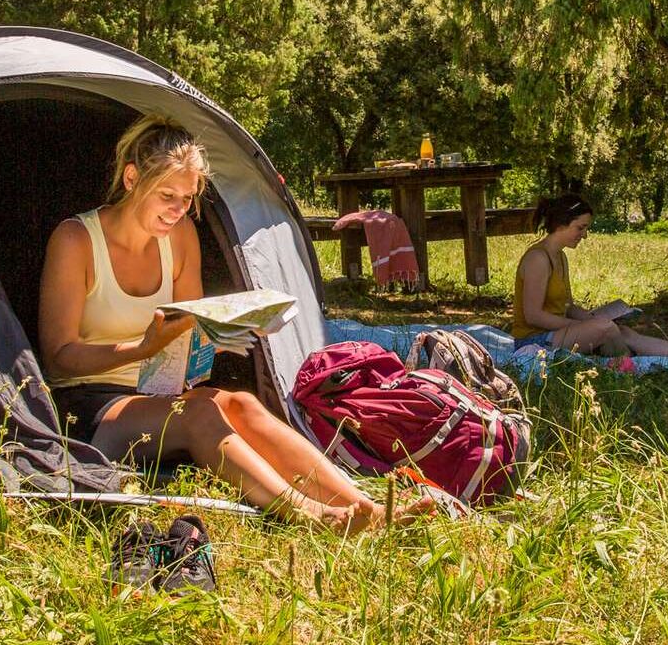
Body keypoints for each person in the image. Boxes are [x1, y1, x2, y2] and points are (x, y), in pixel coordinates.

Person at [39, 115, 430, 532]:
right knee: (201, 411)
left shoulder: (181, 235)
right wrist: (141, 349)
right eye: (167, 195)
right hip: (88, 404)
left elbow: (186, 329)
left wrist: (219, 336)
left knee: (241, 402)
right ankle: (313, 516)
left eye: (188, 198)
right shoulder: (76, 240)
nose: (178, 210)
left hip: (159, 388)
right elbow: (58, 358)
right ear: (132, 179)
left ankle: (372, 507)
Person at [510, 193, 668, 357]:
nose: (584, 235)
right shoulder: (538, 258)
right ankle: (626, 366)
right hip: (532, 341)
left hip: (555, 333)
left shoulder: (560, 257)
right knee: (606, 329)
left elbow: (567, 306)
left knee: (619, 330)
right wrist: (581, 325)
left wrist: (591, 318)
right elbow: (533, 316)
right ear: (561, 224)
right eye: (580, 227)